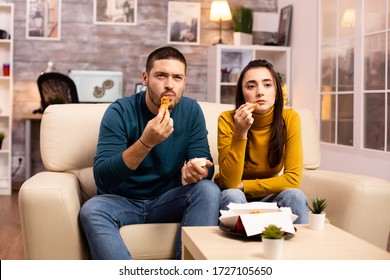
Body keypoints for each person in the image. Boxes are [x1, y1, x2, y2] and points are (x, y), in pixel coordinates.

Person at [79, 46, 221, 260]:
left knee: (208, 190)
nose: (169, 85)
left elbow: (204, 163)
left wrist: (197, 171)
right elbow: (102, 176)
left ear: (184, 82)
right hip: (121, 201)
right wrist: (146, 142)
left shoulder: (191, 111)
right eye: (161, 75)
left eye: (177, 77)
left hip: (167, 200)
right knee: (92, 210)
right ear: (145, 78)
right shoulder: (120, 112)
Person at [215, 59, 308, 224]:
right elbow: (230, 183)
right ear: (242, 94)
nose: (260, 92)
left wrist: (244, 185)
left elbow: (293, 179)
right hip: (237, 196)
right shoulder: (227, 119)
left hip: (269, 197)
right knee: (233, 194)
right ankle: (238, 249)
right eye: (251, 86)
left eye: (267, 85)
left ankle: (300, 250)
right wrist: (240, 132)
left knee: (295, 195)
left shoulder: (290, 118)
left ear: (277, 91)